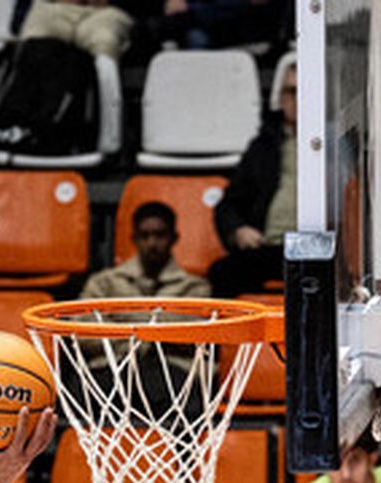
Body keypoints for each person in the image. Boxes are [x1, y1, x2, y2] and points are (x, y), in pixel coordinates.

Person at [209, 60, 295, 298]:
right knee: (223, 272)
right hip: (269, 248)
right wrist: (238, 230)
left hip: (320, 253)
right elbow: (228, 204)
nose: (298, 100)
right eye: (291, 92)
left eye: (305, 90)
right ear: (281, 98)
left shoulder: (336, 147)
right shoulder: (263, 147)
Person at [81, 199, 209, 304]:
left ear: (174, 238)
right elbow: (84, 327)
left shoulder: (194, 290)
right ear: (134, 239)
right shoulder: (104, 285)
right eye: (144, 235)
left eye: (160, 235)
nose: (152, 243)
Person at [20, 0, 132, 63]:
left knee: (104, 40)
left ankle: (100, 101)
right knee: (36, 38)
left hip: (106, 12)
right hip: (56, 7)